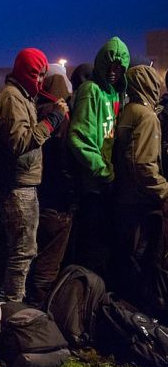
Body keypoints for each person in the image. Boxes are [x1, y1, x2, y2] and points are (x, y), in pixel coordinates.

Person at [0, 48, 68, 302]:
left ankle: (9, 304)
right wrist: (53, 120)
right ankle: (11, 308)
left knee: (21, 250)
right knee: (22, 251)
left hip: (24, 182)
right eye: (36, 75)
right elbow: (19, 142)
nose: (40, 81)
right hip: (18, 186)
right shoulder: (13, 98)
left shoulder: (24, 96)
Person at [67, 37, 130, 276]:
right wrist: (104, 172)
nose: (114, 72)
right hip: (93, 185)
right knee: (90, 250)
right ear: (101, 63)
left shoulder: (115, 95)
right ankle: (83, 304)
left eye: (120, 68)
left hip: (108, 184)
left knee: (104, 249)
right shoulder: (91, 90)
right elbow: (79, 138)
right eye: (111, 66)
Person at [112, 65, 168, 303]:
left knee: (125, 260)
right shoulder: (147, 116)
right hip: (140, 203)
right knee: (139, 261)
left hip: (123, 198)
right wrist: (165, 191)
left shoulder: (128, 111)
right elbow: (143, 164)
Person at [26, 72, 75, 306]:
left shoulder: (35, 110)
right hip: (57, 198)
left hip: (37, 192)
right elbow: (64, 157)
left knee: (33, 252)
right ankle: (39, 310)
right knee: (50, 259)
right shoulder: (60, 116)